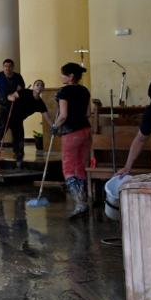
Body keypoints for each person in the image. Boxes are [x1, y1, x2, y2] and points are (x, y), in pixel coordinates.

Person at [51, 63, 91, 218]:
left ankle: (79, 203)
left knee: (68, 169)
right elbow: (88, 112)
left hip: (71, 133)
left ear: (71, 76)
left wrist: (55, 126)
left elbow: (63, 115)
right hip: (86, 131)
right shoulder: (85, 90)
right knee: (80, 167)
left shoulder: (64, 91)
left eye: (63, 74)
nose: (61, 77)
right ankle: (83, 201)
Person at [5, 79, 56, 167]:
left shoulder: (40, 103)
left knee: (20, 140)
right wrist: (11, 97)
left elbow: (47, 117)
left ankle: (18, 162)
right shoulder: (25, 92)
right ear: (33, 87)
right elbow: (10, 96)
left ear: (43, 89)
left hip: (18, 120)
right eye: (37, 85)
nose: (39, 87)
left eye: (41, 85)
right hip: (7, 116)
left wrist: (54, 126)